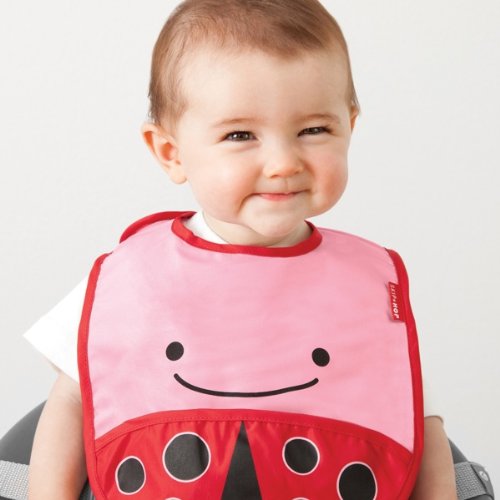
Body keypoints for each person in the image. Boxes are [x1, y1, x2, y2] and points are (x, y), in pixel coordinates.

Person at [25, 0, 457, 498]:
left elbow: (419, 421)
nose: (283, 162)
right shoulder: (131, 277)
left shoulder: (369, 284)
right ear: (171, 152)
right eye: (240, 135)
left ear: (349, 128)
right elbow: (73, 402)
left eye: (314, 130)